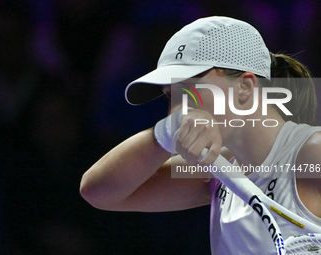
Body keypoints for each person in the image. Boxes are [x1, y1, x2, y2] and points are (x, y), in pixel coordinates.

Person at [80, 16, 321, 254]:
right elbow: (97, 192)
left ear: (245, 87)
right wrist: (167, 131)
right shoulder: (214, 172)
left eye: (189, 91)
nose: (177, 112)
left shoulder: (312, 152)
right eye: (169, 96)